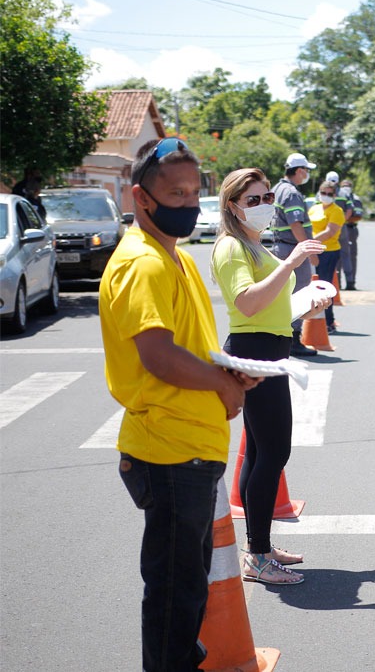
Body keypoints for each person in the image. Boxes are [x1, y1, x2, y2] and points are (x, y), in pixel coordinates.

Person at [99, 138, 260, 671]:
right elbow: (159, 358)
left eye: (194, 192)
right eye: (175, 193)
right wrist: (222, 386)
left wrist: (228, 371)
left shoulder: (178, 258)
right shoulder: (143, 263)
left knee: (187, 589)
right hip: (167, 452)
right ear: (140, 198)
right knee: (174, 594)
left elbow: (189, 348)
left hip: (192, 446)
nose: (188, 203)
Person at [211, 167, 330, 586]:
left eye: (267, 198)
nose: (264, 206)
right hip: (254, 354)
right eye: (253, 201)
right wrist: (294, 260)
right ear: (233, 207)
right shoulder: (231, 248)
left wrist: (305, 306)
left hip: (270, 350)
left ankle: (258, 547)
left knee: (262, 454)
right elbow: (246, 304)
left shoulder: (254, 245)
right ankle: (258, 555)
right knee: (274, 453)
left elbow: (270, 303)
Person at [270, 152, 319, 356]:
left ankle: (282, 337)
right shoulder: (291, 193)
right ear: (299, 171)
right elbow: (296, 224)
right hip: (293, 248)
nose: (306, 174)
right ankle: (293, 340)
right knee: (299, 293)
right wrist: (308, 251)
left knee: (283, 294)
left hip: (281, 247)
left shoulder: (277, 189)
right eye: (306, 170)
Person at [308, 180, 346, 332]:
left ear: (335, 195)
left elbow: (330, 232)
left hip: (328, 251)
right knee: (310, 286)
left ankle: (328, 322)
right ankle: (312, 317)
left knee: (324, 286)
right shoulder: (314, 208)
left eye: (330, 194)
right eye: (323, 193)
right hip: (312, 250)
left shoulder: (336, 211)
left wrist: (309, 241)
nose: (326, 196)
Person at [338, 179, 362, 290]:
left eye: (348, 185)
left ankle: (351, 283)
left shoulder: (355, 199)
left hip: (350, 229)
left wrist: (342, 219)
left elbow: (358, 215)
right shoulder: (336, 195)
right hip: (338, 228)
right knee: (337, 257)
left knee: (351, 256)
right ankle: (336, 283)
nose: (346, 187)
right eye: (344, 185)